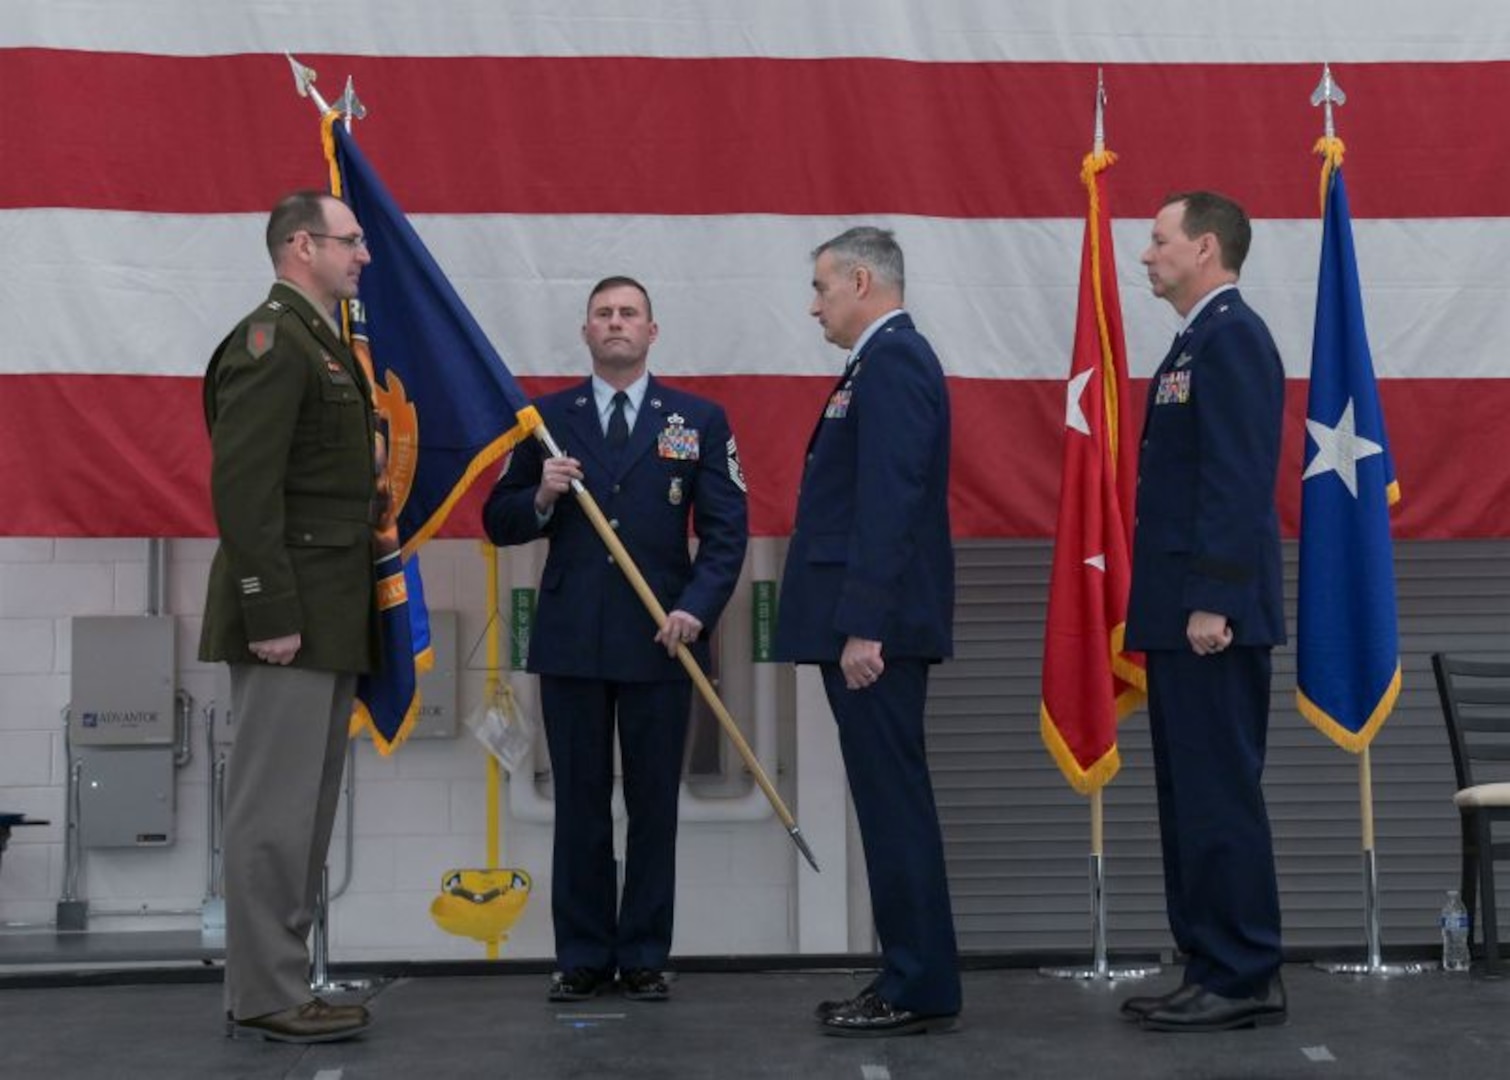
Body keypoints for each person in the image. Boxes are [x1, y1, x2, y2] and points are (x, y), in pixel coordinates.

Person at [483, 276, 748, 1003]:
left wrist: (696, 609)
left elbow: (727, 532)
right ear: (586, 332)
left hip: (664, 638)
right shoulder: (543, 422)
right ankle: (583, 956)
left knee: (655, 803)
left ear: (652, 332)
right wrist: (541, 493)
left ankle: (644, 955)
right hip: (572, 640)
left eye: (629, 313)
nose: (616, 323)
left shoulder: (698, 419)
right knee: (581, 802)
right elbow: (498, 520)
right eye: (604, 314)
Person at [200, 191, 380, 1043]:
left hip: (325, 610)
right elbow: (245, 487)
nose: (364, 256)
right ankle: (266, 991)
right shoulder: (274, 344)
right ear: (301, 247)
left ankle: (280, 982)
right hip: (290, 617)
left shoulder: (320, 345)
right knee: (272, 813)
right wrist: (269, 610)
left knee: (302, 812)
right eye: (350, 242)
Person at [774, 227, 961, 1037]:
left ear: (860, 281)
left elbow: (891, 499)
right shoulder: (873, 364)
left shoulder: (897, 361)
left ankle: (918, 983)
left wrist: (864, 625)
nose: (814, 306)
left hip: (875, 633)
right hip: (866, 624)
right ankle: (909, 972)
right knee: (886, 805)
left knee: (894, 806)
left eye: (821, 289)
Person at [1119, 191, 1288, 1032]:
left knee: (1220, 795)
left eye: (1159, 241)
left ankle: (1245, 972)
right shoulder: (1196, 340)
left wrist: (1214, 598)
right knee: (1189, 797)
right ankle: (1207, 963)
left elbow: (1238, 476)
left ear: (1206, 249)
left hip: (1212, 614)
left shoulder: (1235, 339)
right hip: (1179, 610)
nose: (1145, 254)